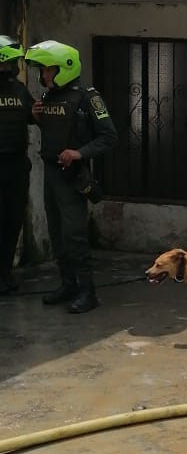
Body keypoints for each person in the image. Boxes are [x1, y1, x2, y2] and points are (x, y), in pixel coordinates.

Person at [25, 39, 117, 314]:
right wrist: (35, 116)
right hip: (51, 172)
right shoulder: (47, 98)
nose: (43, 75)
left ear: (65, 67)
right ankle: (68, 284)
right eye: (41, 71)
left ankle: (88, 292)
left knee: (74, 234)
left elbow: (109, 137)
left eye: (47, 70)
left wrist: (79, 153)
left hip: (72, 175)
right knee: (56, 233)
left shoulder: (88, 97)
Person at [0, 36, 34, 296]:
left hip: (16, 165)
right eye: (11, 61)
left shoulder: (20, 89)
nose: (13, 66)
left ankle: (4, 274)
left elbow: (33, 114)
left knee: (13, 221)